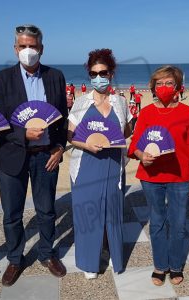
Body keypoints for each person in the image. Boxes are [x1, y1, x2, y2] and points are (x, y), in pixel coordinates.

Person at [0, 24, 68, 287]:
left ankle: (47, 253)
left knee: (46, 210)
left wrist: (59, 147)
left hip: (47, 155)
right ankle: (15, 258)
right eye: (22, 46)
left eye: (32, 46)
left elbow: (61, 118)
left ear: (41, 49)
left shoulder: (55, 76)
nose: (28, 51)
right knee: (12, 213)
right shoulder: (1, 79)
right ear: (15, 49)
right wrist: (23, 134)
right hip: (13, 155)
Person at [128, 66, 189, 286]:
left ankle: (176, 265)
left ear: (178, 87)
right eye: (159, 83)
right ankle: (160, 265)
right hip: (151, 176)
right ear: (153, 87)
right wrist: (142, 154)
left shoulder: (186, 112)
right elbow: (134, 143)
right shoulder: (147, 112)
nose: (163, 87)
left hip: (180, 176)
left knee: (178, 223)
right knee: (157, 222)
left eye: (169, 83)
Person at [68, 48, 132, 279]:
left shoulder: (121, 102)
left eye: (102, 72)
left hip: (113, 164)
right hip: (87, 163)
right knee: (88, 214)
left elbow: (126, 131)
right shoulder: (81, 103)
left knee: (112, 211)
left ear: (111, 74)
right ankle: (88, 262)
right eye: (93, 74)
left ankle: (113, 252)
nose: (98, 78)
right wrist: (87, 145)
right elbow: (71, 136)